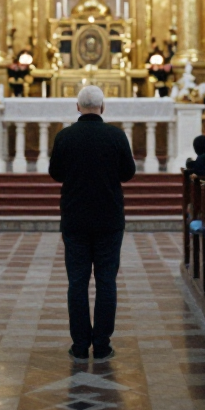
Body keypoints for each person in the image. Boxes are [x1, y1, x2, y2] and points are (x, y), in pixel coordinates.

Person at [49, 85, 136, 364]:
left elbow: (55, 173)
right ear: (103, 106)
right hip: (109, 217)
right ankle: (101, 345)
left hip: (74, 217)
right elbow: (128, 173)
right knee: (106, 281)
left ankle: (79, 344)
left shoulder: (65, 136)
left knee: (77, 281)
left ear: (77, 107)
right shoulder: (116, 135)